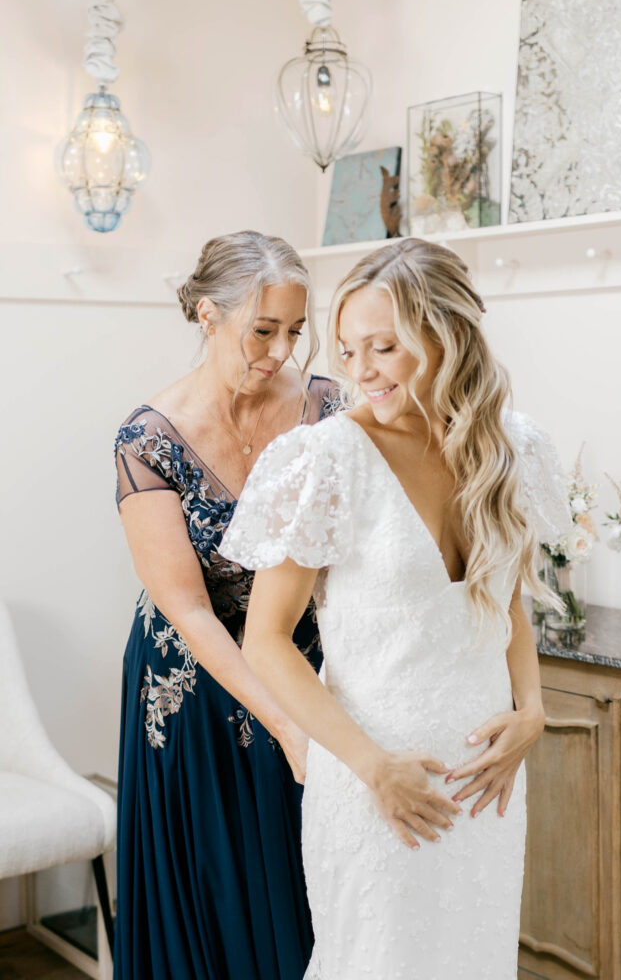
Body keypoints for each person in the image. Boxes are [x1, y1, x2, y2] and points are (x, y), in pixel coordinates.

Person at [219, 237, 571, 980]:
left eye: (382, 346)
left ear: (444, 336)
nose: (360, 371)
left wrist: (532, 709)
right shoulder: (326, 460)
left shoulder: (512, 449)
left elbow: (506, 607)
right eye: (348, 350)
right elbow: (266, 641)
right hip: (374, 784)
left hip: (485, 786)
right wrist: (372, 768)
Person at [113, 231, 340, 980]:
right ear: (209, 315)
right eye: (263, 330)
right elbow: (190, 609)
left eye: (295, 331)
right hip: (193, 687)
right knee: (215, 892)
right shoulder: (150, 439)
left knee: (307, 884)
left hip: (302, 666)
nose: (280, 352)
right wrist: (285, 724)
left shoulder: (323, 410)